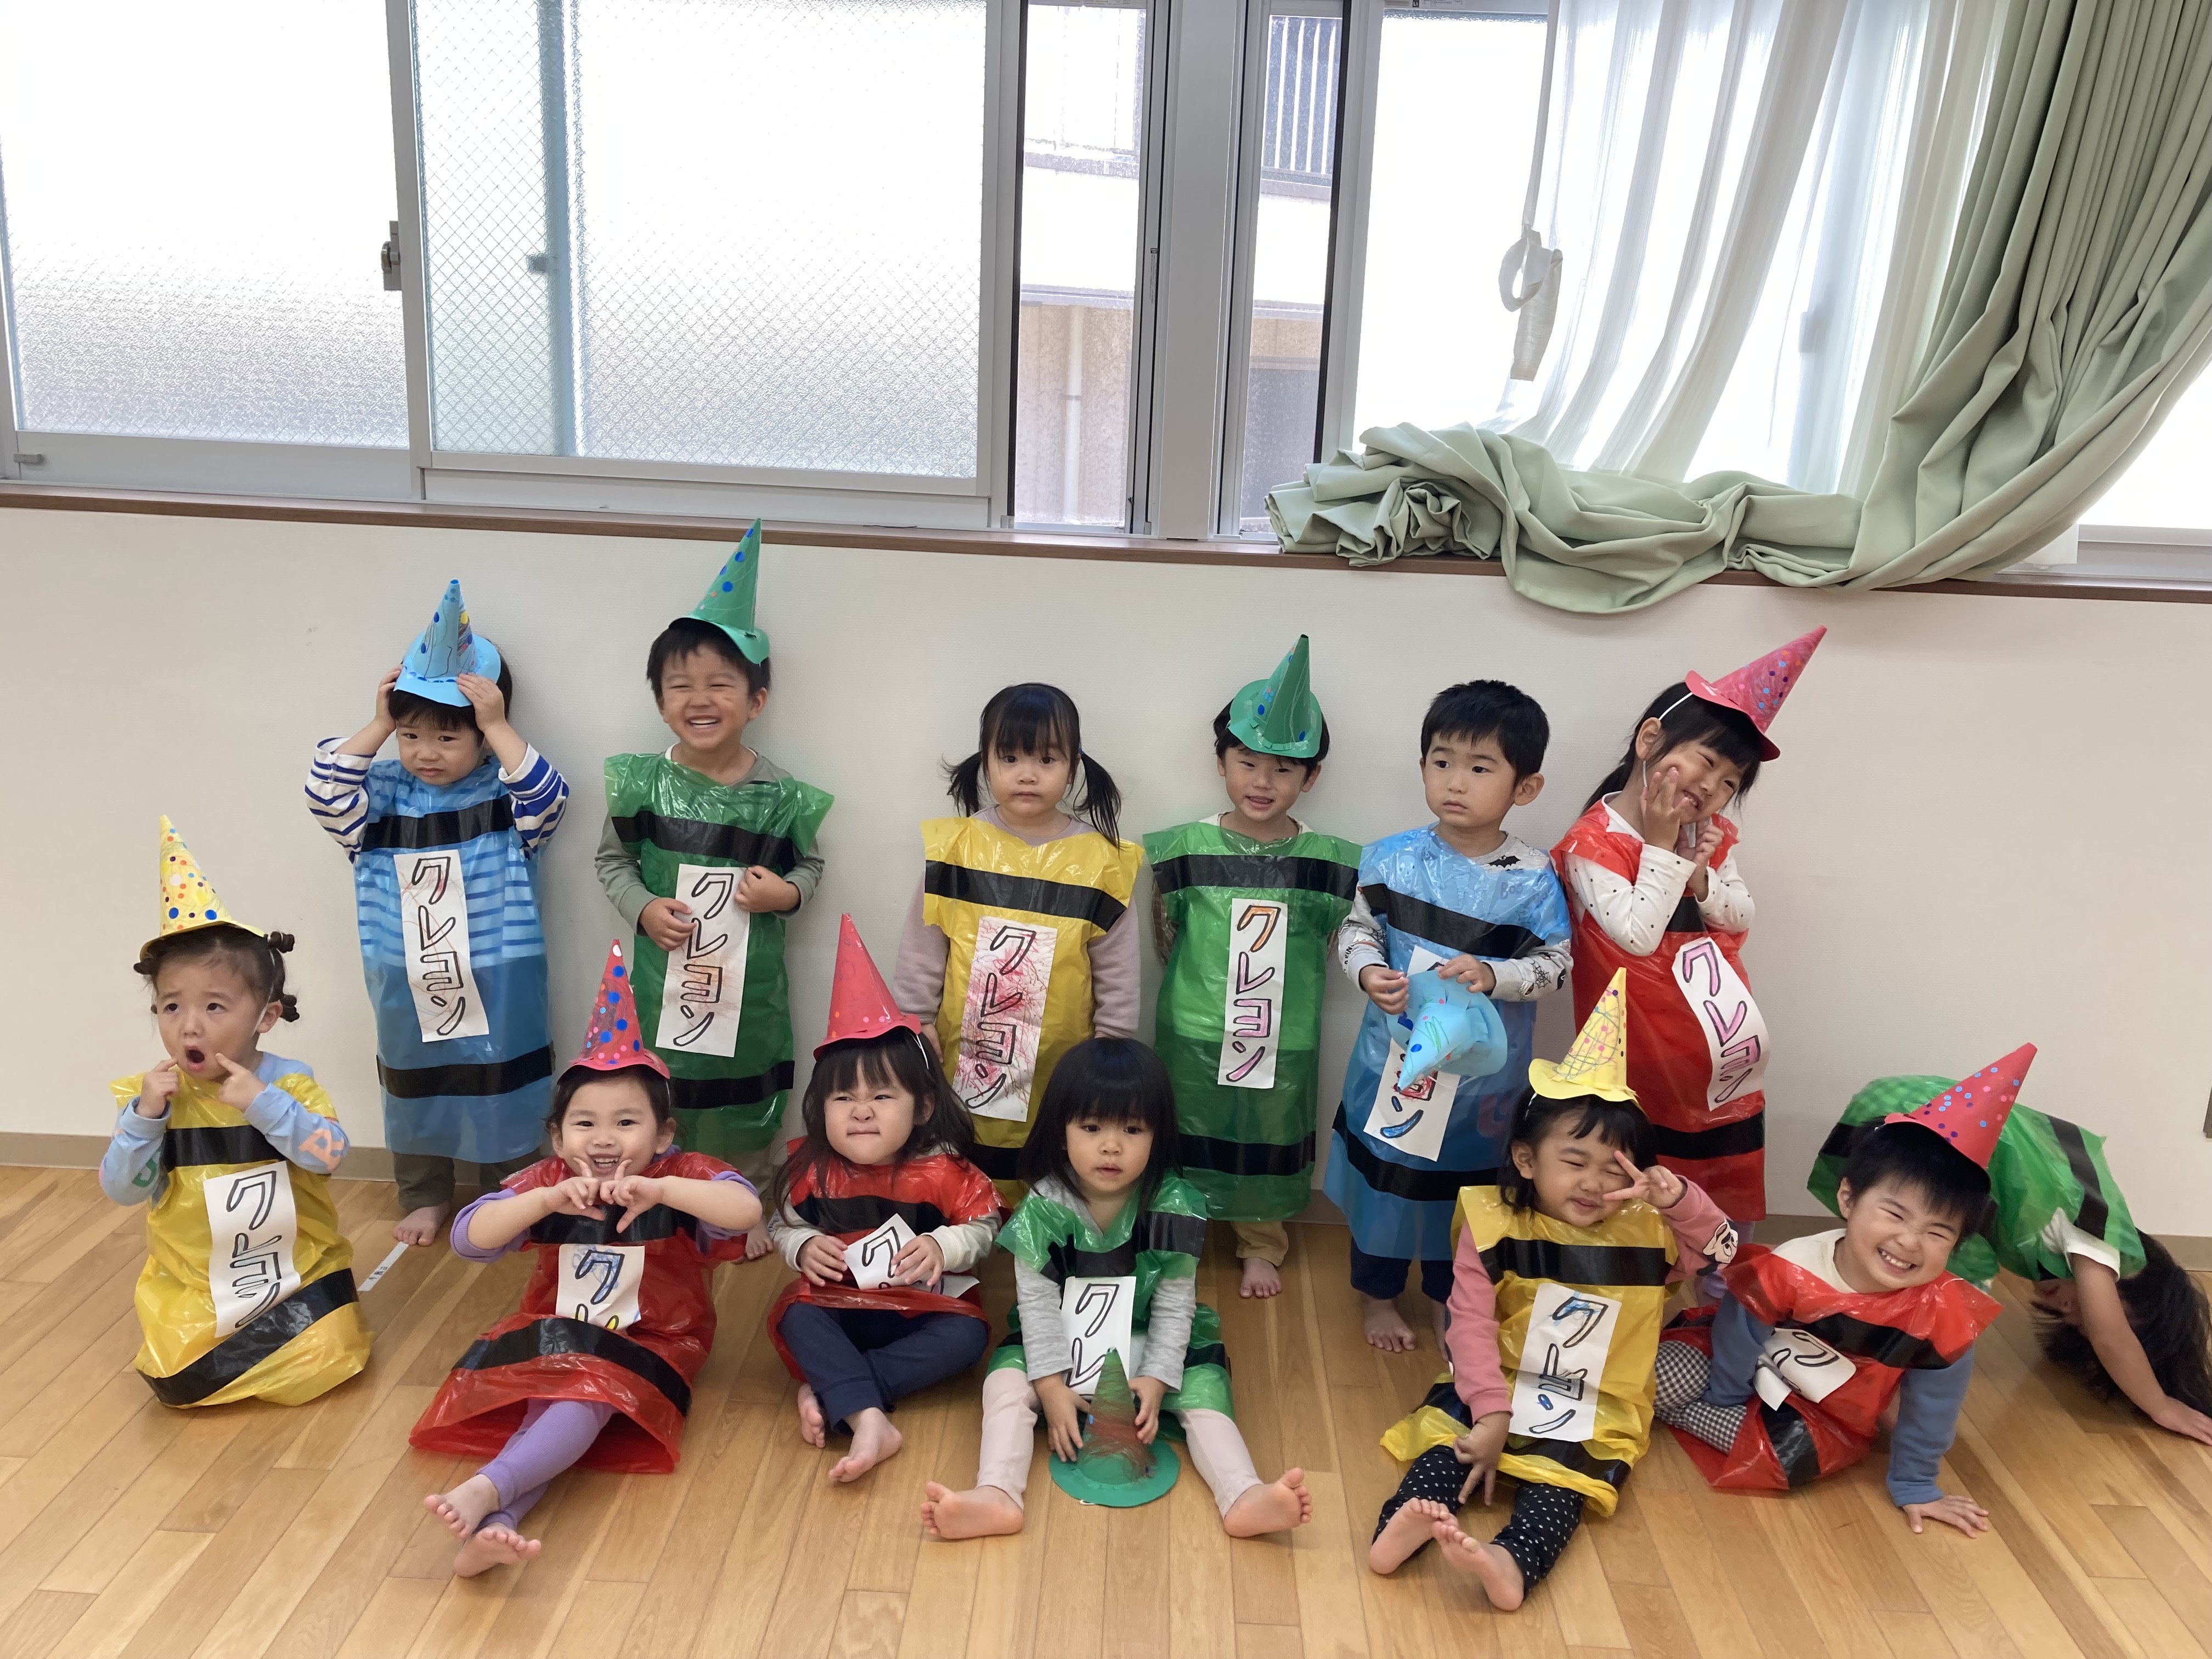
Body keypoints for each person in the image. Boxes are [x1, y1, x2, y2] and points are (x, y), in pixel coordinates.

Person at [1367, 972, 1735, 1610]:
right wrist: (1491, 1414)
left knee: (1561, 1490)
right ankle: (1403, 1525)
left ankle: (1512, 1562)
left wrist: (1678, 1198)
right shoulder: (1494, 1223)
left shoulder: (1649, 1231)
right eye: (1575, 1161)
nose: (1594, 1183)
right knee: (1448, 1450)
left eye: (1614, 1168)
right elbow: (1470, 1324)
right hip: (1498, 1382)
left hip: (1594, 1406)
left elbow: (1720, 1253)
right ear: (1527, 1160)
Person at [410, 943, 761, 1576]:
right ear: (557, 1136)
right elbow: (469, 1238)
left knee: (585, 1397)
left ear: (663, 1134)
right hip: (557, 1329)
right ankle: (497, 1523)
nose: (603, 1138)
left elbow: (744, 1211)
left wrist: (662, 1191)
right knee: (557, 1398)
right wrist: (543, 1199)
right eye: (584, 1124)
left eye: (626, 1122)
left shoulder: (679, 1174)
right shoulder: (551, 1180)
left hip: (655, 1338)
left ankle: (490, 1489)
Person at [920, 1039, 1312, 1540]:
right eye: (1091, 1128)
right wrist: (1050, 1386)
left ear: (1157, 1135)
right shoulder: (1044, 1207)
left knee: (1205, 1393)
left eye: (1132, 1129)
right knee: (1004, 1386)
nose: (1111, 1146)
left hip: (1149, 1338)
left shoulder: (1173, 1204)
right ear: (1061, 1132)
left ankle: (1243, 1493)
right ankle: (997, 1493)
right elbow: (1037, 1307)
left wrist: (1157, 1378)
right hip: (1063, 1343)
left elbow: (1175, 1305)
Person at [1653, 1051, 2021, 1536]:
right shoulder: (1793, 1265)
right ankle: (1679, 1405)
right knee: (1656, 1376)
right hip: (1735, 1369)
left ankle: (1683, 1413)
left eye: (1938, 1232)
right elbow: (1736, 1333)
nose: (1910, 1242)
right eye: (1895, 1214)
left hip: (1823, 1417)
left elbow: (1933, 1409)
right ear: (1848, 1198)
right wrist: (1725, 1396)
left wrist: (1916, 1484)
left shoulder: (1944, 1318)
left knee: (1788, 1462)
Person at [306, 578, 569, 1246]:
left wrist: (499, 726)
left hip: (498, 975)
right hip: (407, 977)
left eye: (448, 737)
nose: (426, 752)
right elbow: (325, 792)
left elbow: (550, 799)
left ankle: (513, 1196)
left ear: (480, 738)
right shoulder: (380, 795)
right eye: (411, 735)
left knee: (504, 1085)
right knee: (414, 1088)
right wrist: (379, 722)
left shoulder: (504, 794)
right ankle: (424, 1195)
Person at [1551, 629, 1822, 1256]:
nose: (1713, 788)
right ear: (1650, 740)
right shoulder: (1592, 843)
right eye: (1706, 762)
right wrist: (1661, 846)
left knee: (1722, 1187)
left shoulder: (1711, 837)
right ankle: (1644, 1286)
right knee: (1638, 1180)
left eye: (1730, 782)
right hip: (1637, 1058)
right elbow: (1637, 937)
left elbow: (1741, 913)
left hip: (1719, 1057)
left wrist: (1702, 879)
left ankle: (1720, 1289)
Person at [596, 523, 833, 1222]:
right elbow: (612, 861)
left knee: (745, 1087)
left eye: (720, 685)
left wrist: (786, 892)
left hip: (748, 990)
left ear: (756, 701)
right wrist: (642, 907)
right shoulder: (640, 785)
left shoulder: (782, 796)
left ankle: (744, 1198)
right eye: (681, 686)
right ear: (660, 701)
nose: (700, 700)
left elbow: (812, 865)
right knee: (664, 1086)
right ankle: (660, 1194)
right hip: (662, 980)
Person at [1326, 680, 1571, 1352]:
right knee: (1386, 1178)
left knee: (1463, 1196)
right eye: (1442, 762)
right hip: (1394, 1065)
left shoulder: (1532, 879)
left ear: (1526, 787)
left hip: (1479, 1086)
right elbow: (1356, 932)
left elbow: (1555, 964)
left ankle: (1449, 1300)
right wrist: (1368, 971)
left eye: (1480, 767)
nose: (1456, 781)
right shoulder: (1391, 858)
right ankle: (1379, 1295)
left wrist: (1495, 976)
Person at [103, 819, 370, 1407]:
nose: (189, 1026)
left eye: (215, 1007)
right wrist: (144, 1118)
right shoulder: (152, 1097)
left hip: (292, 1271)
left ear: (265, 1017)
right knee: (178, 1379)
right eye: (172, 1007)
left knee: (332, 1354)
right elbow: (121, 1189)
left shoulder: (288, 1084)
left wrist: (265, 1105)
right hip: (197, 1282)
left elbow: (330, 1156)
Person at [1810, 1073, 2212, 1446]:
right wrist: (2161, 1405)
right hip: (1918, 1122)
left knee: (1907, 1254)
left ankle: (1844, 1359)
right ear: (2134, 1276)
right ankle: (1864, 1381)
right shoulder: (2100, 1239)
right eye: (2087, 1309)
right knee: (1952, 1297)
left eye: (2073, 1321)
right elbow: (2112, 1338)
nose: (2068, 1308)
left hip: (1900, 1101)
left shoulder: (2077, 1201)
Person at [1144, 636, 1361, 1299]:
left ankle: (1261, 1242)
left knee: (1270, 1133)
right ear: (1221, 762)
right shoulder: (1183, 848)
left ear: (1311, 778)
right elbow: (1166, 934)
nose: (1263, 782)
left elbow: (1332, 940)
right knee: (1185, 1127)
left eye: (1284, 769)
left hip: (1284, 1034)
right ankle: (1176, 1235)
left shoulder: (1330, 863)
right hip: (1194, 1026)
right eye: (1247, 763)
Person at [764, 917, 1003, 1483]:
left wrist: (944, 1246)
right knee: (796, 1314)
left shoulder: (943, 1168)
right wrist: (802, 1245)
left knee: (969, 1336)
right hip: (842, 1305)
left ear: (922, 1107)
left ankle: (841, 1391)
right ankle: (867, 1414)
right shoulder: (813, 1169)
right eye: (843, 1098)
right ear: (821, 1108)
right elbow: (782, 1224)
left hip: (921, 1310)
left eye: (882, 1096)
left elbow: (986, 1223)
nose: (862, 1111)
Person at [893, 684, 1142, 1195]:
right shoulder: (957, 848)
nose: (1027, 774)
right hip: (967, 1047)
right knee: (966, 1152)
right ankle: (970, 1227)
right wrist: (915, 1019)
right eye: (1010, 758)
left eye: (1046, 759)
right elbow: (925, 941)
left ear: (1073, 765)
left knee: (1052, 1155)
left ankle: (1041, 1232)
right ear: (986, 762)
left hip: (1064, 1054)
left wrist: (1112, 1040)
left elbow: (1117, 962)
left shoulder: (1102, 861)